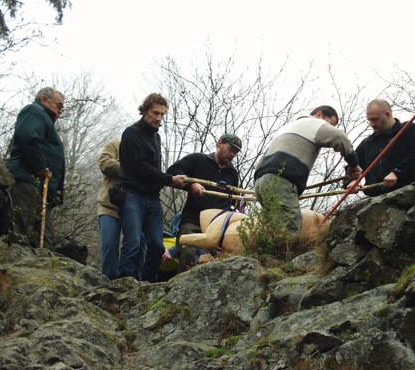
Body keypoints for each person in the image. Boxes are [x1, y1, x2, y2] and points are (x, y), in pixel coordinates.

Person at [254, 105, 361, 233]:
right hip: (281, 180)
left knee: (273, 231)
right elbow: (340, 138)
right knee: (291, 229)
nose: (329, 129)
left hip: (260, 182)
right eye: (330, 124)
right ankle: (288, 253)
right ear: (319, 115)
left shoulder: (288, 127)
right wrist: (354, 164)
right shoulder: (313, 123)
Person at [118, 93, 186, 283]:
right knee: (133, 243)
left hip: (152, 198)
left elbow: (154, 169)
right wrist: (169, 179)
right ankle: (124, 285)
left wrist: (166, 180)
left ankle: (146, 285)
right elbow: (139, 167)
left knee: (157, 246)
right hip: (133, 195)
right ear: (145, 111)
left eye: (162, 115)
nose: (158, 118)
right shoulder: (131, 133)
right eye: (155, 113)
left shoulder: (156, 137)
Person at [166, 133, 241, 274]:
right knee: (188, 253)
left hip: (217, 227)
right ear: (219, 143)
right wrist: (191, 184)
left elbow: (234, 200)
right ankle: (179, 291)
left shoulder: (233, 173)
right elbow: (173, 170)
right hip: (192, 221)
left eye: (236, 152)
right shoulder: (198, 160)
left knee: (219, 261)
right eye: (230, 149)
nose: (232, 154)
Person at [6, 87, 66, 250]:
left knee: (44, 240)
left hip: (40, 188)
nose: (60, 111)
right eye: (58, 106)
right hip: (27, 180)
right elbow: (28, 138)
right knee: (21, 231)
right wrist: (41, 167)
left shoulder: (45, 120)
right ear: (44, 100)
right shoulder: (35, 111)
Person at [351, 98, 415, 197]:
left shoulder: (407, 130)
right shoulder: (367, 143)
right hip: (374, 199)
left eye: (375, 119)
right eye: (369, 120)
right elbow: (354, 165)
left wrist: (397, 172)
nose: (372, 125)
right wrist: (352, 181)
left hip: (406, 193)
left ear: (388, 115)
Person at [97, 140, 121, 280]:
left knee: (137, 245)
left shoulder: (145, 150)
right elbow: (104, 164)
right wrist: (128, 166)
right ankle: (109, 282)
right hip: (108, 206)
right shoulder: (115, 145)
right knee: (110, 245)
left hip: (134, 208)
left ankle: (129, 281)